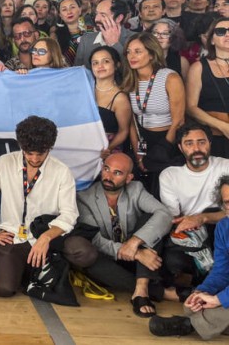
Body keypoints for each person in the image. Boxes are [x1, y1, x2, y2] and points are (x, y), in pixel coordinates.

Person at [0, 116, 78, 298]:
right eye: (29, 153)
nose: (35, 158)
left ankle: (44, 268)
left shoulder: (62, 171)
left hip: (47, 235)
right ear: (21, 146)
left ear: (50, 148)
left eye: (41, 153)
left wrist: (45, 238)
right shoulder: (4, 162)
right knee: (4, 289)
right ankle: (23, 269)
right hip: (13, 236)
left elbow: (69, 213)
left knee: (84, 253)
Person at [63, 153, 173, 317]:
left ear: (128, 178)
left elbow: (165, 214)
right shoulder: (84, 198)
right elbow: (96, 240)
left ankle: (141, 289)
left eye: (117, 173)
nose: (108, 176)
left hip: (135, 258)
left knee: (151, 218)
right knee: (90, 258)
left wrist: (135, 242)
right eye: (106, 169)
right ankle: (157, 291)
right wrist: (136, 253)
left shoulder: (136, 189)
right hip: (108, 259)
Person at [150, 174, 229, 339]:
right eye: (228, 202)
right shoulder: (223, 226)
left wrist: (219, 299)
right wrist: (202, 291)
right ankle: (212, 322)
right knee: (195, 304)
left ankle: (189, 325)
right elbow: (221, 270)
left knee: (216, 303)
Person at [159, 123, 229, 291]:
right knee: (174, 262)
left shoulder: (226, 166)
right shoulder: (170, 175)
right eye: (189, 143)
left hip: (223, 226)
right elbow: (174, 219)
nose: (196, 148)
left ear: (210, 144)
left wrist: (203, 217)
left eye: (201, 142)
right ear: (180, 147)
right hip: (190, 232)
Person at [124, 32, 186, 196]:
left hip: (169, 138)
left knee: (164, 189)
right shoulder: (129, 80)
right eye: (129, 52)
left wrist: (162, 150)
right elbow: (131, 122)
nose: (132, 56)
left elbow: (178, 120)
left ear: (151, 54)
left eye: (138, 51)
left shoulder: (169, 77)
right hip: (144, 138)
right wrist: (138, 154)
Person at [185, 17, 229, 158]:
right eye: (221, 31)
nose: (227, 34)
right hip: (214, 138)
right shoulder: (199, 67)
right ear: (211, 39)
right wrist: (223, 126)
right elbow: (191, 107)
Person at [90, 46, 132, 158]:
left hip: (108, 154)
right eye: (95, 63)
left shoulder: (120, 98)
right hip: (84, 150)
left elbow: (124, 131)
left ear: (117, 65)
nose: (100, 66)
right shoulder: (85, 90)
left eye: (106, 61)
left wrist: (108, 148)